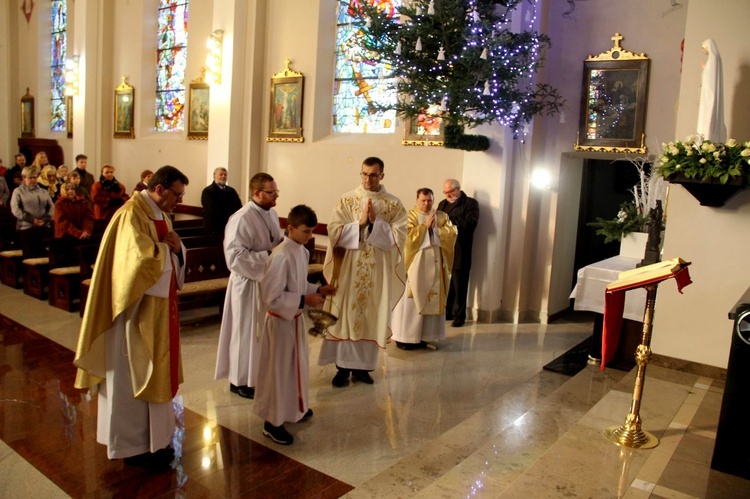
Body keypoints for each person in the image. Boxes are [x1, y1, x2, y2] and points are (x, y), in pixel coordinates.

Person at [73, 166, 189, 470]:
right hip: (133, 315)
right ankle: (133, 446)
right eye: (178, 194)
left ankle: (157, 442)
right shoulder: (130, 214)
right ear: (160, 188)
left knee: (157, 371)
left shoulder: (161, 214)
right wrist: (167, 253)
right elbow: (135, 264)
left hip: (160, 312)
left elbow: (168, 249)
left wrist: (177, 250)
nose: (180, 200)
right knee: (131, 377)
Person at [317, 156, 407, 387]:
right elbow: (334, 231)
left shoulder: (394, 205)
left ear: (382, 176)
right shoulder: (346, 200)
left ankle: (363, 369)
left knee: (371, 316)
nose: (368, 178)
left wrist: (376, 224)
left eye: (373, 174)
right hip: (349, 271)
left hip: (376, 274)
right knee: (345, 315)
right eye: (364, 174)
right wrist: (359, 223)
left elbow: (400, 238)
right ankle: (342, 369)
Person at [254, 205, 337, 445]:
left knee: (294, 369)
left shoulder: (300, 251)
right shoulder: (280, 255)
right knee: (278, 373)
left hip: (294, 321)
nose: (310, 237)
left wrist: (319, 289)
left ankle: (292, 409)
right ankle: (271, 422)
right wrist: (303, 300)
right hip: (279, 323)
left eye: (312, 232)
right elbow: (271, 297)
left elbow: (299, 286)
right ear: (289, 228)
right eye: (305, 232)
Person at [215, 173, 282, 399]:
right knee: (244, 331)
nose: (276, 197)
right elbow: (234, 257)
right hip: (246, 284)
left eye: (276, 192)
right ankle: (239, 380)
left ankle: (256, 375)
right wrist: (269, 255)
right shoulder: (241, 218)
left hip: (265, 282)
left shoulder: (271, 213)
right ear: (256, 193)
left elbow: (275, 241)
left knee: (258, 334)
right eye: (271, 193)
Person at [391, 188, 456, 349]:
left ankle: (424, 336)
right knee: (411, 303)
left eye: (430, 200)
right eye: (423, 200)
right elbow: (404, 238)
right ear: (417, 200)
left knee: (431, 299)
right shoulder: (408, 216)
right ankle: (404, 337)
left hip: (435, 266)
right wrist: (425, 228)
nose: (427, 204)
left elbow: (452, 233)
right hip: (414, 267)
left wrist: (434, 230)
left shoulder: (441, 216)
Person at [437, 179, 479, 328]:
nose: (448, 195)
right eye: (445, 192)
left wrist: (449, 220)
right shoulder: (442, 204)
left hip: (461, 250)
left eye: (450, 191)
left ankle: (459, 316)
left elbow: (470, 224)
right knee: (447, 285)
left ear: (458, 189)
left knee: (459, 285)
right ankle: (447, 312)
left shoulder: (470, 203)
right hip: (444, 250)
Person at [201, 167, 243, 236]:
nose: (223, 176)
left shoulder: (231, 191)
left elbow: (239, 207)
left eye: (225, 175)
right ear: (214, 176)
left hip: (231, 227)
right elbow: (211, 211)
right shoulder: (208, 191)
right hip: (215, 229)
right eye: (221, 174)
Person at [10, 167, 54, 231]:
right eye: (30, 178)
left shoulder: (43, 191)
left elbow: (51, 206)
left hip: (44, 225)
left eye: (35, 177)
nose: (33, 180)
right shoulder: (18, 191)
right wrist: (32, 219)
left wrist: (45, 219)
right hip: (26, 227)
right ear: (24, 178)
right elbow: (15, 209)